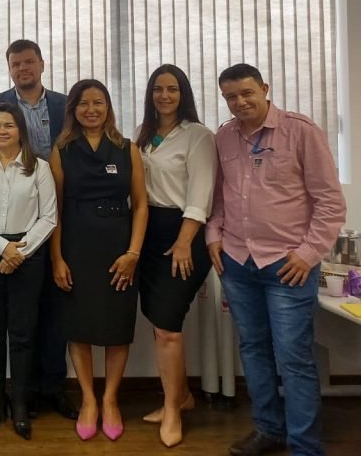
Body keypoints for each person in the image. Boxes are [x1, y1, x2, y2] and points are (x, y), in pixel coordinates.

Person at [206, 64, 346, 456]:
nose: (240, 102)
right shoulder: (224, 136)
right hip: (237, 262)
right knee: (253, 349)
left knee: (294, 356)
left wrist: (308, 253)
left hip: (287, 265)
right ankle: (269, 429)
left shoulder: (301, 131)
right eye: (231, 97)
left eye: (247, 93)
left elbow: (330, 203)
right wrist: (213, 235)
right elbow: (219, 196)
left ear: (265, 88)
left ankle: (304, 445)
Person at [0, 38, 75, 420]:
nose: (23, 69)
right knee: (20, 318)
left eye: (29, 62)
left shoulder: (65, 105)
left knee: (54, 310)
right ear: (9, 68)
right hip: (10, 227)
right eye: (16, 64)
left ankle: (54, 388)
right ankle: (24, 392)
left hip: (59, 219)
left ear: (42, 64)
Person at [49, 79, 148, 442]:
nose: (91, 110)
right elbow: (54, 210)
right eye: (83, 103)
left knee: (116, 325)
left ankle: (110, 399)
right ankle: (89, 399)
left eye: (98, 103)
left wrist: (133, 253)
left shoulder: (127, 148)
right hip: (76, 247)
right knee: (79, 326)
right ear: (73, 109)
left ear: (108, 107)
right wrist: (57, 258)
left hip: (119, 250)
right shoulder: (62, 150)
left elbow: (140, 205)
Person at [0, 102, 57, 439]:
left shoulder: (39, 168)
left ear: (21, 131)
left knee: (22, 332)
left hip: (27, 253)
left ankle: (19, 403)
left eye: (8, 125)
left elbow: (49, 217)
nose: (1, 131)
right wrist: (3, 248)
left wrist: (19, 251)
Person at [134, 65, 217, 447]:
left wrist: (184, 242)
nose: (164, 96)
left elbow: (201, 193)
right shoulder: (145, 133)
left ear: (183, 93)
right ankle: (181, 396)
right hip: (148, 233)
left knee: (168, 326)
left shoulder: (198, 135)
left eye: (172, 89)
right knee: (159, 323)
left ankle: (172, 410)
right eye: (158, 89)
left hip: (184, 234)